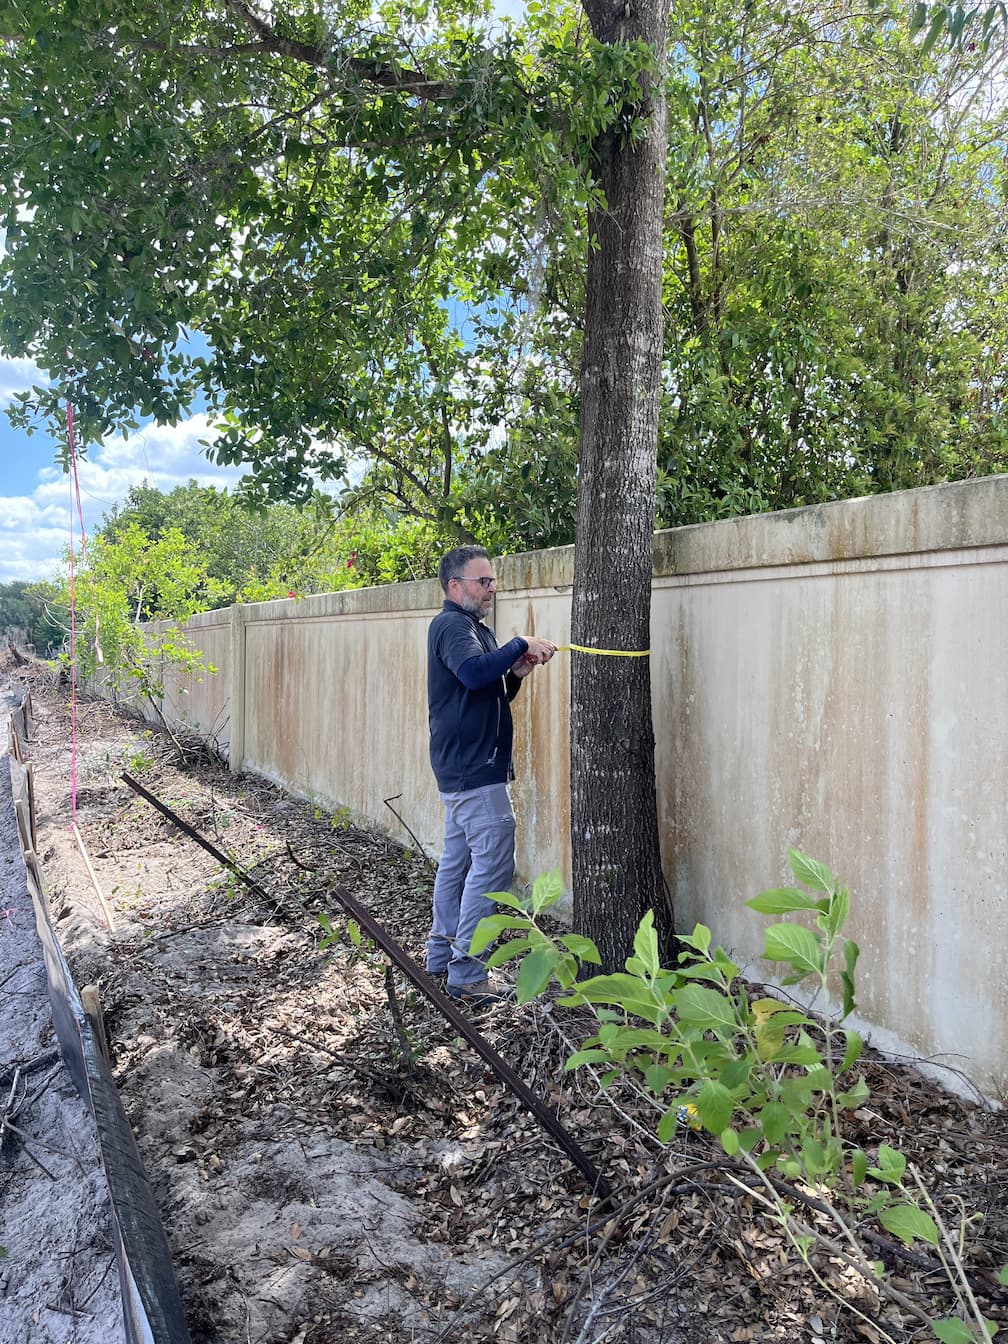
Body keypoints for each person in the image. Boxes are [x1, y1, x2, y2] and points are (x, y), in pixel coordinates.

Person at [426, 545, 556, 1004]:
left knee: (458, 862)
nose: (491, 588)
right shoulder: (453, 626)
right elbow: (474, 675)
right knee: (494, 863)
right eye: (483, 581)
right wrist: (520, 643)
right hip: (473, 771)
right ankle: (467, 972)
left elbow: (487, 690)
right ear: (454, 585)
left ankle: (441, 957)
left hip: (467, 767)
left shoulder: (471, 629)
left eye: (492, 581)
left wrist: (514, 672)